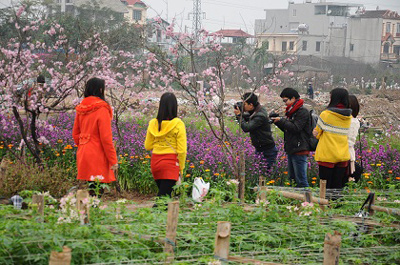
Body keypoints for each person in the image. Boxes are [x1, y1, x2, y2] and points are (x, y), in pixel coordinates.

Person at [73, 78, 118, 196]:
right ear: (100, 90)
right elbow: (106, 138)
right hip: (97, 154)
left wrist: (84, 145)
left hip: (83, 151)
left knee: (91, 188)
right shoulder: (102, 109)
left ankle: (89, 212)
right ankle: (92, 212)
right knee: (97, 190)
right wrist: (113, 160)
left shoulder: (81, 108)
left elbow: (75, 134)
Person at [144, 92, 187, 198]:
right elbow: (181, 150)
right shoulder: (178, 124)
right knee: (162, 199)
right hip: (170, 164)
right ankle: (149, 215)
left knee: (165, 199)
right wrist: (181, 168)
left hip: (156, 163)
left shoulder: (153, 123)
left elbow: (148, 146)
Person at [313, 88, 352, 190]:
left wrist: (315, 132)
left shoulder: (326, 115)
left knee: (325, 186)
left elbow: (317, 133)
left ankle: (324, 205)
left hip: (327, 155)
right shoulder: (348, 117)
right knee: (337, 186)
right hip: (343, 155)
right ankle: (336, 205)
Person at [272, 88, 310, 188]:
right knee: (292, 180)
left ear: (293, 98)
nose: (285, 103)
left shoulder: (302, 112)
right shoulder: (291, 112)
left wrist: (281, 120)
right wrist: (279, 122)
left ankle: (307, 202)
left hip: (300, 149)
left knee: (301, 180)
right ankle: (296, 201)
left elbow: (296, 128)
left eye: (286, 100)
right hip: (292, 149)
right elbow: (288, 130)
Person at [234, 92, 277, 168]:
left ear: (251, 105)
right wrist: (241, 114)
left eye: (245, 104)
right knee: (259, 173)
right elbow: (249, 116)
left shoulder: (260, 115)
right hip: (260, 148)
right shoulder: (257, 109)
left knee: (266, 174)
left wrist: (239, 116)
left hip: (267, 151)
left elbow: (247, 128)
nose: (243, 106)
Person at [346, 95, 361, 184]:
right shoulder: (354, 121)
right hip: (348, 154)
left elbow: (349, 141)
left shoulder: (351, 121)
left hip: (346, 155)